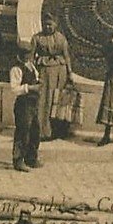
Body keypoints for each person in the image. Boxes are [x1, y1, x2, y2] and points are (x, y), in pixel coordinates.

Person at [31, 12, 72, 141]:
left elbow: (66, 56)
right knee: (44, 100)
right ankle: (43, 131)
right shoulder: (37, 38)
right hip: (44, 72)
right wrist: (32, 72)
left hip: (60, 72)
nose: (48, 27)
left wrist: (70, 73)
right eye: (46, 24)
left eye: (50, 24)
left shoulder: (61, 38)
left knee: (58, 100)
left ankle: (59, 131)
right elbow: (31, 57)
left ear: (55, 24)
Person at [10, 44, 42, 172]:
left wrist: (39, 82)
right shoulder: (16, 68)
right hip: (23, 104)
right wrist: (30, 88)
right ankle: (18, 160)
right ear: (21, 54)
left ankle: (31, 158)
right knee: (23, 132)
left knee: (35, 131)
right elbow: (14, 89)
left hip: (33, 103)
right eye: (26, 54)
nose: (28, 56)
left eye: (29, 53)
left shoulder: (31, 65)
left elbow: (36, 77)